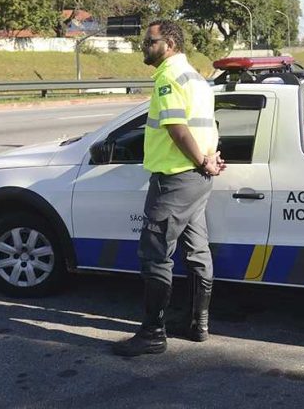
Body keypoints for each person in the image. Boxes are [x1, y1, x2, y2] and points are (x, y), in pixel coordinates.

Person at [112, 19, 226, 357]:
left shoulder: (169, 77)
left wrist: (203, 161)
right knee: (197, 250)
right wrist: (207, 160)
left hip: (175, 179)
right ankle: (197, 324)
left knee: (155, 255)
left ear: (170, 44)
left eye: (150, 41)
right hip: (196, 180)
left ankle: (152, 334)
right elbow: (205, 126)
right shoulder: (197, 79)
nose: (144, 46)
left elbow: (177, 128)